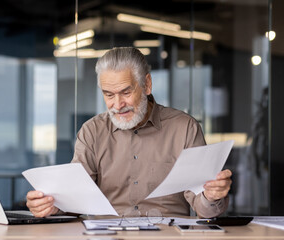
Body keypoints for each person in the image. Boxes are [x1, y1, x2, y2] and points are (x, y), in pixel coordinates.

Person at [26, 47, 232, 218]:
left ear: (147, 84)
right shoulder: (92, 131)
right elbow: (72, 197)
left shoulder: (184, 128)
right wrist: (52, 205)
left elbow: (203, 207)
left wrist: (212, 196)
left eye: (126, 92)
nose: (118, 104)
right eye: (109, 94)